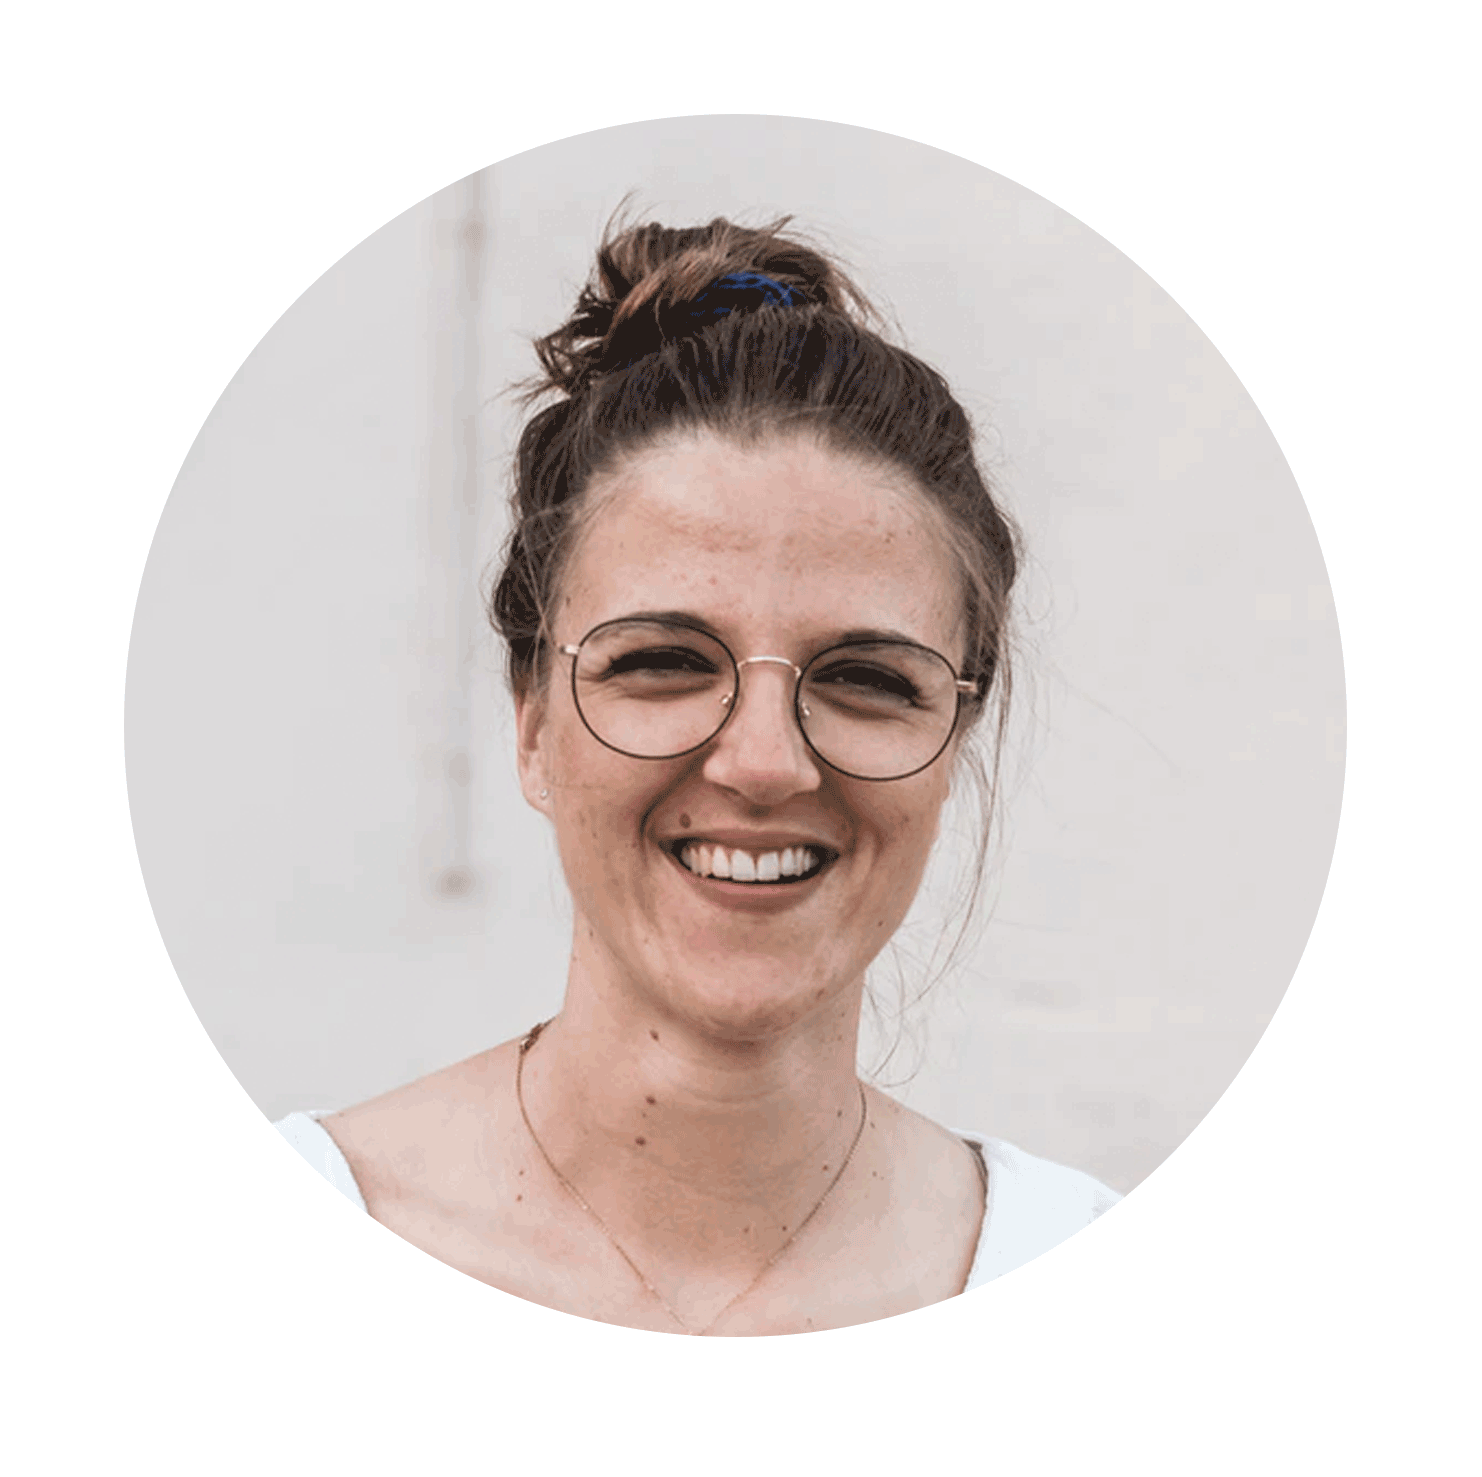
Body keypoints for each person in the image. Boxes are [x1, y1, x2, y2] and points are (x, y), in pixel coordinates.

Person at [276, 213, 1119, 1336]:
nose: (764, 762)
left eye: (868, 677)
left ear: (954, 743)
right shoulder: (283, 1240)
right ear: (532, 722)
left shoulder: (1087, 1281)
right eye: (663, 662)